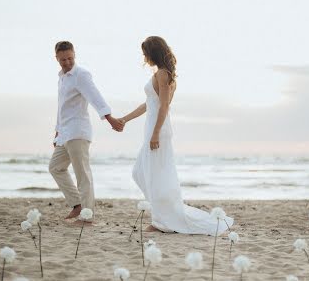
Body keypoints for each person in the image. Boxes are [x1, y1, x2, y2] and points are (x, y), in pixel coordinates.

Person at [119, 36, 233, 234]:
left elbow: (164, 106)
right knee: (141, 172)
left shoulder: (163, 74)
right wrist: (125, 119)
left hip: (158, 130)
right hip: (153, 129)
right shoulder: (161, 74)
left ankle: (161, 221)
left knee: (155, 175)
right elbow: (149, 104)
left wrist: (155, 134)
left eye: (145, 54)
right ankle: (163, 215)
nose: (144, 58)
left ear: (153, 53)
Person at [49, 41, 123, 225]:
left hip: (78, 132)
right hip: (65, 133)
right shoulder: (62, 77)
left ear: (74, 55)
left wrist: (110, 118)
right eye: (63, 59)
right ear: (56, 58)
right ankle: (77, 204)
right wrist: (57, 131)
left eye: (70, 58)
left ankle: (87, 216)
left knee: (82, 174)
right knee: (55, 167)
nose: (67, 62)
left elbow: (95, 96)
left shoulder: (81, 74)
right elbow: (62, 107)